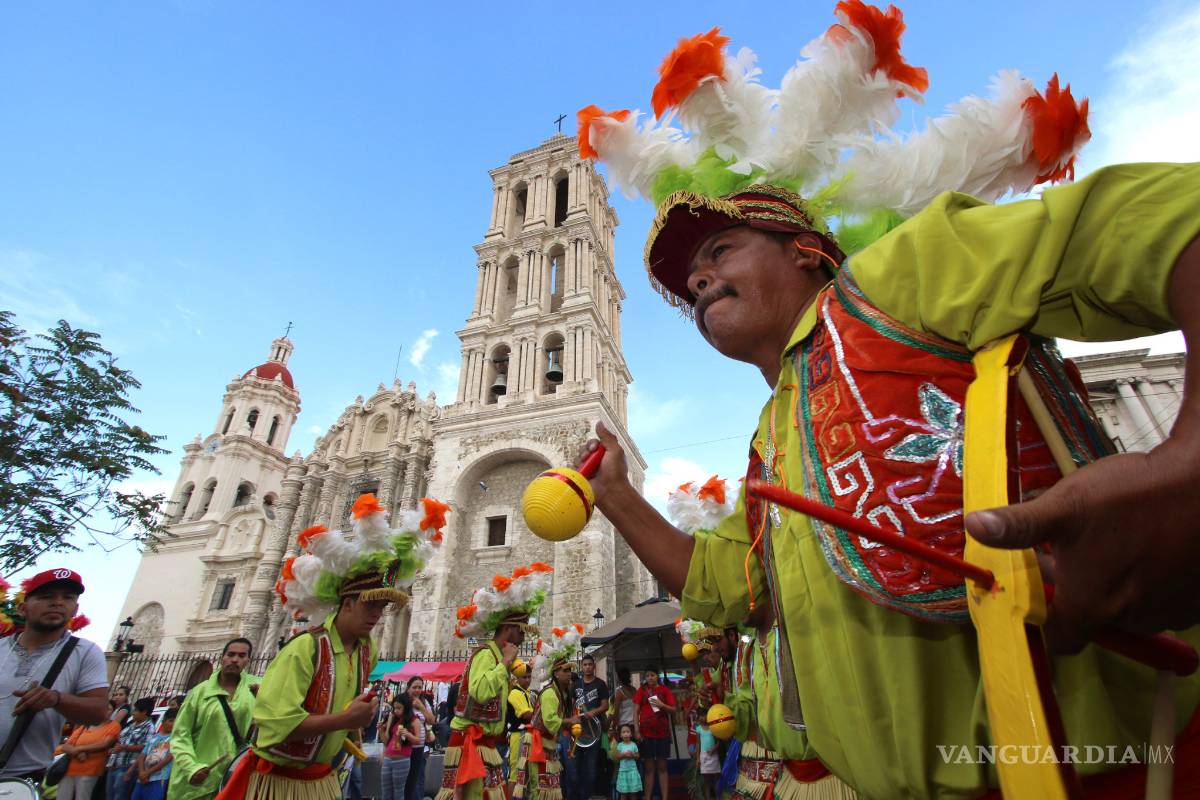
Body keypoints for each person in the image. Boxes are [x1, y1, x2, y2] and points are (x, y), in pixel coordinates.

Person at [576, 8, 1200, 796]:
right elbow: (726, 585)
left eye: (719, 250)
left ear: (806, 249)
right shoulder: (771, 439)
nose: (695, 281)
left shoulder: (900, 276)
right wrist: (617, 498)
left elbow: (1164, 219)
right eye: (685, 282)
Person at [217, 493, 445, 800]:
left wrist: (347, 729)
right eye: (370, 606)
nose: (378, 615)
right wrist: (344, 721)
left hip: (324, 778)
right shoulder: (305, 649)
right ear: (347, 604)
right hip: (280, 783)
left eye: (383, 607)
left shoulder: (367, 652)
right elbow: (273, 725)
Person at [441, 562, 554, 800]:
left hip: (487, 744)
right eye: (521, 631)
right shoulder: (485, 655)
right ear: (508, 628)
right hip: (471, 743)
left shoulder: (498, 657)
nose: (523, 637)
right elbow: (480, 691)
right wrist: (504, 664)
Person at [0, 569, 109, 783]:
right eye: (46, 597)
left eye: (67, 598)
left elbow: (99, 712)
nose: (57, 603)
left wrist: (56, 699)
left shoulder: (85, 653)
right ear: (22, 609)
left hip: (20, 781)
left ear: (75, 609)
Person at [168, 638, 259, 800]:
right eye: (231, 654)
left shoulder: (258, 687)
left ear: (248, 660)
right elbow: (180, 735)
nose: (235, 659)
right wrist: (192, 767)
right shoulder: (199, 692)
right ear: (222, 657)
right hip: (197, 783)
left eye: (241, 656)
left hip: (237, 779)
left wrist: (263, 700)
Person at [511, 626, 583, 800]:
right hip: (537, 743)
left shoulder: (562, 694)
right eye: (565, 670)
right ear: (556, 673)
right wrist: (570, 721)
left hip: (547, 743)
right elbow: (551, 721)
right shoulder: (550, 693)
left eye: (570, 670)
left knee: (549, 787)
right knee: (538, 787)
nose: (569, 674)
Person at [567, 653, 608, 800]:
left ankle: (587, 796)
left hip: (594, 733)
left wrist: (593, 712)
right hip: (577, 733)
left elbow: (605, 705)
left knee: (591, 771)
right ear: (581, 667)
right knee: (574, 770)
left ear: (594, 666)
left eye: (590, 664)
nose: (587, 667)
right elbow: (570, 706)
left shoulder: (600, 684)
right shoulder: (575, 685)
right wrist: (574, 717)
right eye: (585, 665)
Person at [632, 669, 675, 800]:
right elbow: (636, 711)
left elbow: (674, 709)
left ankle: (665, 797)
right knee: (649, 768)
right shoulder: (642, 690)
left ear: (657, 676)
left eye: (652, 675)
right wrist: (636, 730)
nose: (650, 678)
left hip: (663, 734)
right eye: (647, 676)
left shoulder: (665, 690)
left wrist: (662, 705)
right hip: (646, 734)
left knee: (662, 767)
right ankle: (648, 797)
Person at [56, 717, 121, 800]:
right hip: (70, 769)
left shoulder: (113, 725)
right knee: (62, 796)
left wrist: (79, 749)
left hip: (90, 770)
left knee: (83, 797)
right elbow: (66, 746)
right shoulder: (85, 725)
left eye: (109, 709)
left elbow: (104, 745)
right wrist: (77, 753)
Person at [106, 697, 157, 800]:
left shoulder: (149, 727)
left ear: (144, 712)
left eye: (136, 710)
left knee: (120, 796)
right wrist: (114, 749)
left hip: (127, 767)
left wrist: (125, 747)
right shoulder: (130, 725)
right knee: (109, 795)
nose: (133, 712)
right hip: (114, 764)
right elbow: (120, 741)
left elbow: (146, 747)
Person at [379, 694, 419, 800]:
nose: (396, 711)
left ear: (406, 707)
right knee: (385, 791)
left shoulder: (414, 720)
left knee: (398, 792)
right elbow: (386, 741)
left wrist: (408, 734)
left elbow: (418, 740)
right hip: (388, 758)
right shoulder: (393, 719)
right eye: (394, 708)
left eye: (399, 708)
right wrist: (381, 730)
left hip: (402, 759)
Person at [132, 708, 176, 800]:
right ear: (163, 721)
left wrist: (148, 772)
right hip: (142, 778)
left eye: (176, 721)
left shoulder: (175, 739)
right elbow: (142, 755)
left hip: (159, 778)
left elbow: (168, 758)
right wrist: (142, 772)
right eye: (171, 721)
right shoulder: (154, 737)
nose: (173, 724)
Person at [404, 677, 436, 800]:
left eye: (420, 687)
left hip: (420, 747)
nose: (417, 690)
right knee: (406, 780)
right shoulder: (403, 700)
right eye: (414, 687)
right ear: (408, 687)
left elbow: (432, 720)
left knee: (417, 779)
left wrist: (421, 707)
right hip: (405, 746)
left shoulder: (424, 701)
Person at [506, 668, 535, 782]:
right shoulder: (515, 693)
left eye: (529, 677)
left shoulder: (527, 692)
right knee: (516, 773)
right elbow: (527, 715)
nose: (527, 680)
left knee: (526, 773)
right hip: (518, 736)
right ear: (517, 678)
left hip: (527, 736)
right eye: (524, 677)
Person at [612, 724, 641, 800]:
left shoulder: (633, 745)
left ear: (631, 734)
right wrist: (624, 755)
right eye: (623, 732)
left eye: (628, 732)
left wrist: (632, 755)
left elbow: (638, 756)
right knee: (623, 794)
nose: (626, 734)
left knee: (633, 793)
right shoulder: (620, 745)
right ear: (621, 735)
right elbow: (617, 757)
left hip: (632, 771)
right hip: (623, 772)